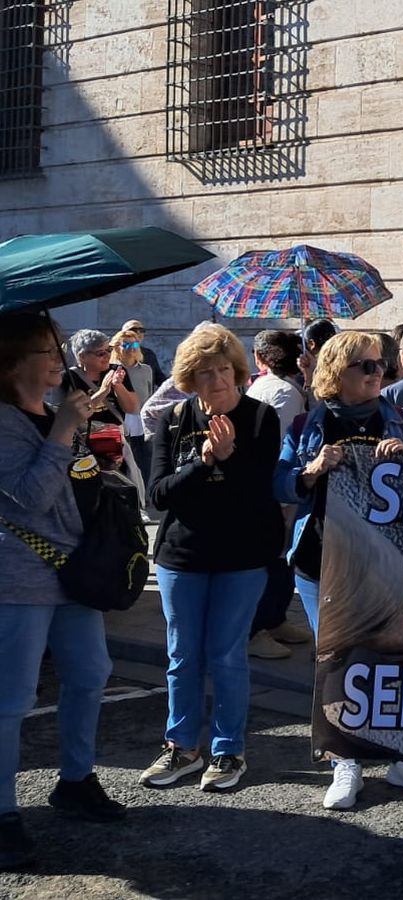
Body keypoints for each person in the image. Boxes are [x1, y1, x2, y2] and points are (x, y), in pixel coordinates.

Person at [275, 331, 403, 811]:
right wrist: (310, 470)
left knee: (394, 658)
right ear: (336, 373)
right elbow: (280, 486)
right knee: (339, 662)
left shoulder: (402, 420)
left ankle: (401, 754)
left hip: (389, 563)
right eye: (365, 366)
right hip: (320, 561)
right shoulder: (309, 424)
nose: (377, 374)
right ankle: (345, 760)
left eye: (379, 365)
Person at [0, 314, 126, 871]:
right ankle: (2, 812)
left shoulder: (55, 413)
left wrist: (84, 445)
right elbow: (27, 497)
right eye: (45, 350)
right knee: (12, 699)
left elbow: (71, 492)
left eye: (57, 348)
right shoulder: (4, 422)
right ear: (10, 363)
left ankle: (75, 780)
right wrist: (61, 433)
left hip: (73, 573)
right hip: (21, 578)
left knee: (91, 673)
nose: (57, 358)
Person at [138, 325, 283, 794]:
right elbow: (158, 497)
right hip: (181, 556)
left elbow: (257, 493)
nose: (218, 380)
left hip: (241, 557)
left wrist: (227, 458)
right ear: (189, 378)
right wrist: (203, 462)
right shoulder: (174, 418)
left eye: (224, 370)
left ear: (239, 372)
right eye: (205, 372)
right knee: (182, 656)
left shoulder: (261, 418)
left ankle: (228, 751)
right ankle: (181, 746)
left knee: (225, 655)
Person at [244, 330, 313, 661]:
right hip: (274, 493)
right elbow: (285, 452)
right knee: (273, 560)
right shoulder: (284, 394)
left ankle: (274, 619)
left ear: (260, 359)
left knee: (281, 562)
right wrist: (286, 502)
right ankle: (256, 627)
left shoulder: (273, 389)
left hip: (268, 490)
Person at [111, 327, 156, 501]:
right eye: (126, 344)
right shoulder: (113, 369)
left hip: (142, 418)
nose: (131, 348)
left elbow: (149, 393)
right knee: (127, 459)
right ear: (117, 347)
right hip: (122, 418)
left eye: (135, 343)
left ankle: (147, 494)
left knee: (145, 458)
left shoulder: (146, 369)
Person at [120, 319, 167, 386]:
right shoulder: (112, 352)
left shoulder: (148, 354)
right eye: (133, 330)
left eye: (141, 330)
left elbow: (159, 378)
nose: (138, 333)